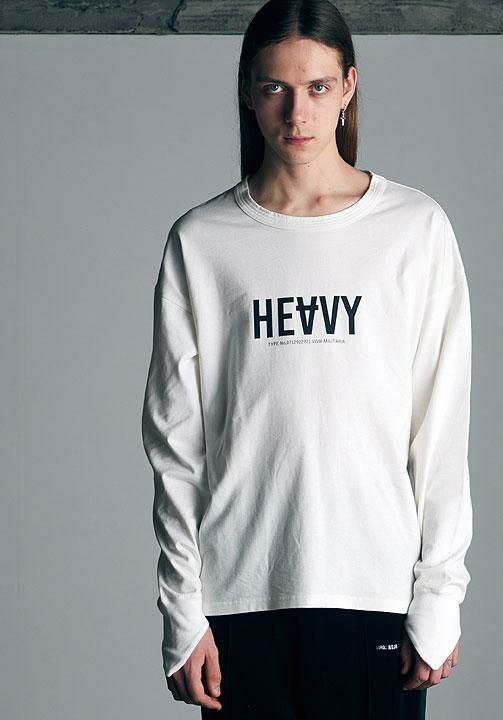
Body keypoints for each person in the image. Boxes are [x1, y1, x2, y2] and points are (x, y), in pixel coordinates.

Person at [141, 1, 473, 717]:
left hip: (376, 595)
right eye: (276, 88)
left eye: (318, 87)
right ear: (247, 91)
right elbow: (176, 448)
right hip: (238, 603)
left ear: (349, 86)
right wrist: (183, 611)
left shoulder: (413, 230)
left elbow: (440, 432)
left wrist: (440, 595)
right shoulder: (202, 242)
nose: (298, 113)